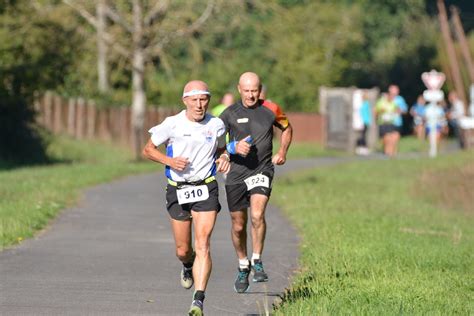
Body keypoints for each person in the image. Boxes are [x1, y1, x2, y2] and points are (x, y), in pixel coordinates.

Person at [142, 80, 230, 316]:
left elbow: (221, 149)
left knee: (203, 244)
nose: (199, 105)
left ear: (208, 100)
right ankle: (186, 265)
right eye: (194, 100)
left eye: (203, 100)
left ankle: (198, 300)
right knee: (183, 249)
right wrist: (170, 161)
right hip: (178, 189)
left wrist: (224, 158)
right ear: (185, 101)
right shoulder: (172, 124)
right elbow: (148, 149)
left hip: (206, 188)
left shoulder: (217, 124)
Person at [219, 72, 293, 293]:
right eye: (247, 91)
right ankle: (243, 264)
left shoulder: (271, 108)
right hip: (235, 174)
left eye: (255, 91)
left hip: (262, 169)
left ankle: (257, 259)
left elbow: (287, 127)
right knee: (238, 224)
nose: (251, 95)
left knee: (257, 215)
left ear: (260, 90)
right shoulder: (228, 113)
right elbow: (213, 142)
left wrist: (282, 151)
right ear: (239, 89)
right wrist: (227, 152)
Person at [375, 92, 398, 156]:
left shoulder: (393, 103)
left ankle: (391, 151)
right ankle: (387, 151)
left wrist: (395, 112)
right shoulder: (381, 102)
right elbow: (376, 111)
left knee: (393, 136)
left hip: (391, 122)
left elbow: (396, 110)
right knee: (386, 137)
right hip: (383, 123)